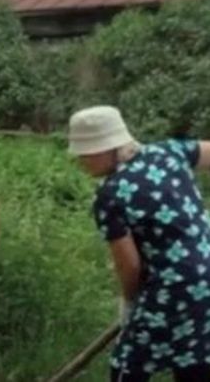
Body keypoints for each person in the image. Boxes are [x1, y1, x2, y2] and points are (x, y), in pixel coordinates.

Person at [68, 105, 210, 381]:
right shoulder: (169, 151)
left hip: (174, 287)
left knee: (129, 364)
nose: (81, 161)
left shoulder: (110, 196)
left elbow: (129, 265)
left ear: (105, 148)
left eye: (85, 154)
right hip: (206, 276)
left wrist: (130, 301)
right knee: (197, 355)